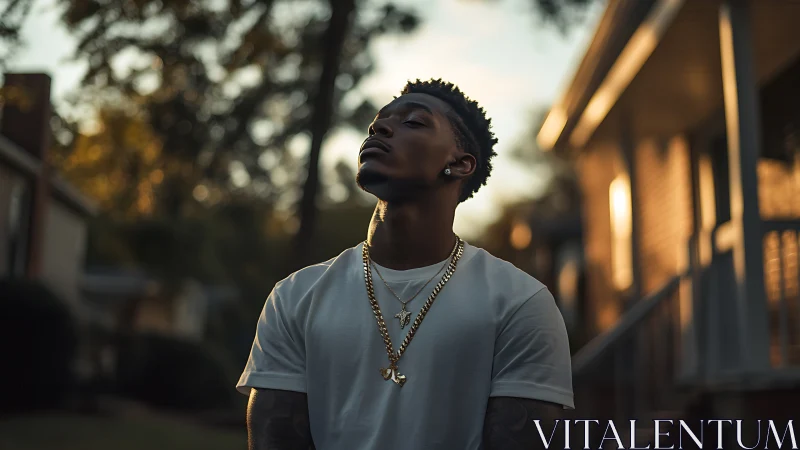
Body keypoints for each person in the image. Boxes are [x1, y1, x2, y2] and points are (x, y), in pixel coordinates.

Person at [237, 78, 574, 450]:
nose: (379, 129)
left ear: (459, 164)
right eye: (377, 124)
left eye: (413, 122)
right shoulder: (294, 296)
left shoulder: (520, 302)